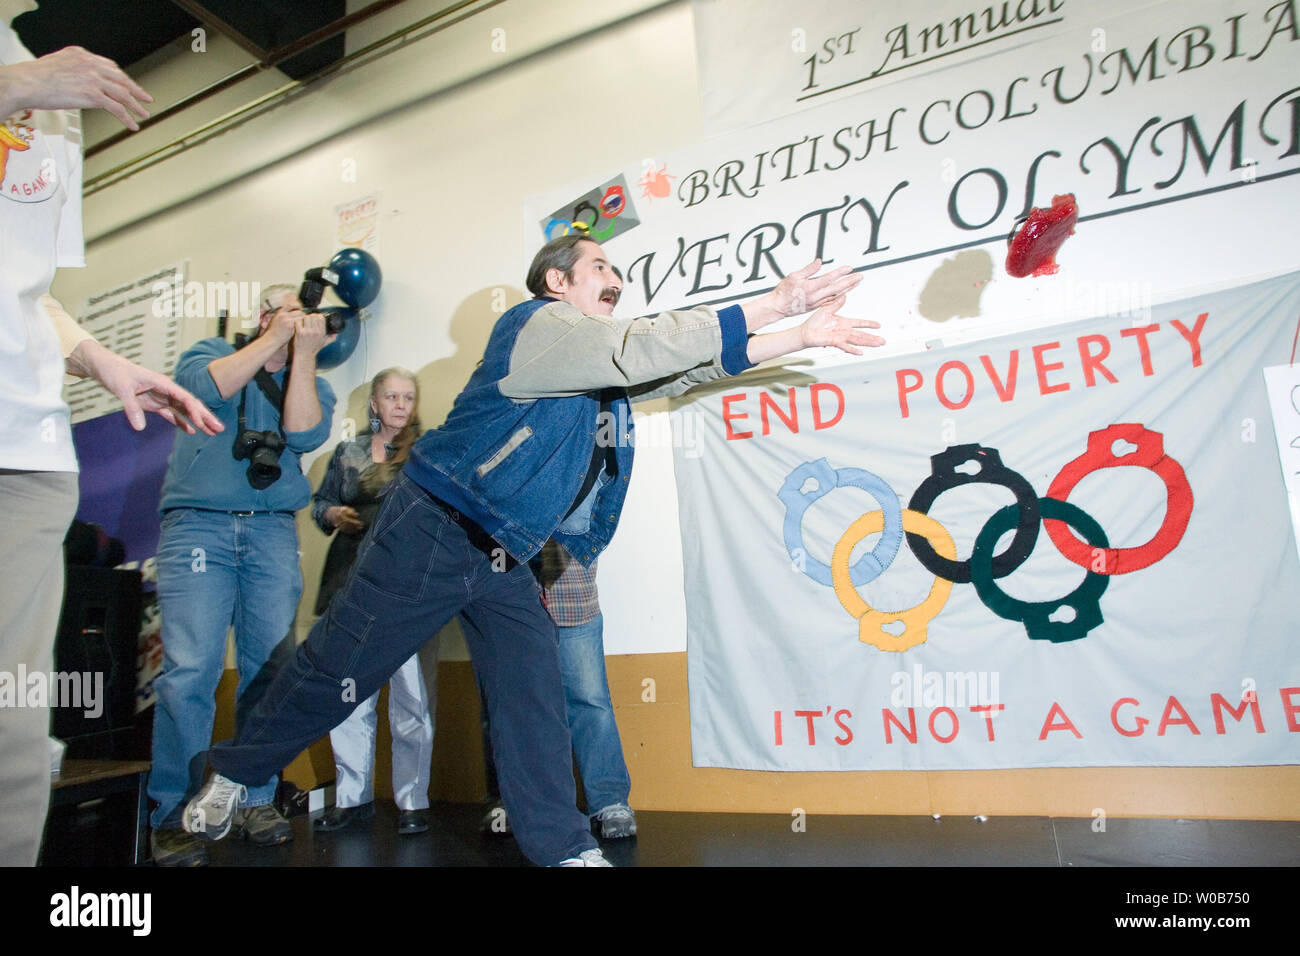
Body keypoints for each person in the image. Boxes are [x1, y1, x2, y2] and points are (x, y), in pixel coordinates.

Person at [185, 234, 882, 867]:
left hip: (503, 554)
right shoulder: (536, 327)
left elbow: (678, 370)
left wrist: (799, 334)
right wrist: (774, 302)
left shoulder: (594, 371)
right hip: (434, 523)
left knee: (534, 696)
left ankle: (565, 846)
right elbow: (645, 346)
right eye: (600, 267)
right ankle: (237, 768)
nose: (615, 277)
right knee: (342, 663)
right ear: (556, 284)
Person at [0, 7, 221, 867]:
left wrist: (102, 362)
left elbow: (27, 286)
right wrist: (20, 87)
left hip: (27, 440)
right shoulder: (40, 79)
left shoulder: (55, 81)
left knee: (16, 727)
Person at [148, 284, 336, 866]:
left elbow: (304, 435)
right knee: (190, 670)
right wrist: (273, 338)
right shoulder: (207, 352)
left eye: (300, 312)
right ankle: (174, 812)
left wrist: (301, 355)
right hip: (197, 528)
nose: (294, 317)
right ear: (260, 316)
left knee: (269, 670)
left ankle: (255, 795)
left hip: (272, 532)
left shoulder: (316, 380)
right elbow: (204, 392)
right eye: (282, 308)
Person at [311, 367, 436, 836]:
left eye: (408, 396)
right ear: (374, 404)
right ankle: (352, 798)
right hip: (350, 586)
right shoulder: (348, 452)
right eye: (391, 396)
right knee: (349, 700)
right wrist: (331, 512)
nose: (401, 405)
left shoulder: (428, 453)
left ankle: (412, 801)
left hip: (407, 591)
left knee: (411, 702)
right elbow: (319, 503)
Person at [478, 540, 635, 839]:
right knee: (503, 704)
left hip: (571, 592)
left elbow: (598, 511)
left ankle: (609, 801)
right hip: (505, 597)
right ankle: (507, 801)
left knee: (589, 702)